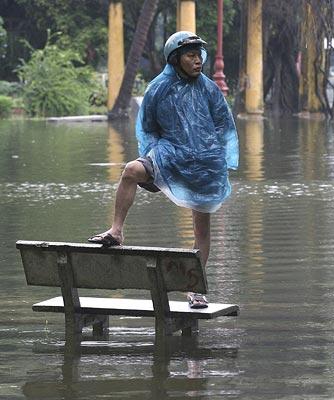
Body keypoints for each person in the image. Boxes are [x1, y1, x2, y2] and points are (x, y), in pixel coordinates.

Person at [88, 31, 239, 309]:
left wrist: (216, 157)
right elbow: (147, 126)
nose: (197, 61)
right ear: (175, 58)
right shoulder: (159, 87)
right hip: (169, 155)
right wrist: (159, 153)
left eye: (198, 55)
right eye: (190, 55)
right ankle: (117, 230)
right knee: (131, 170)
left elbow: (224, 125)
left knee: (201, 231)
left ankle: (195, 288)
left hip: (203, 163)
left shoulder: (208, 88)